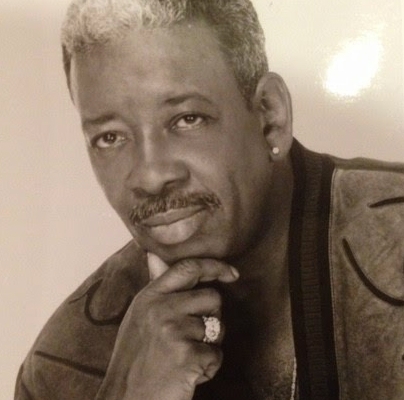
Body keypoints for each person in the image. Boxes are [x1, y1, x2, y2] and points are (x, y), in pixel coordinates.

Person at [14, 0, 404, 399]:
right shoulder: (55, 371)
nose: (150, 177)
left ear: (270, 117)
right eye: (110, 137)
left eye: (187, 119)